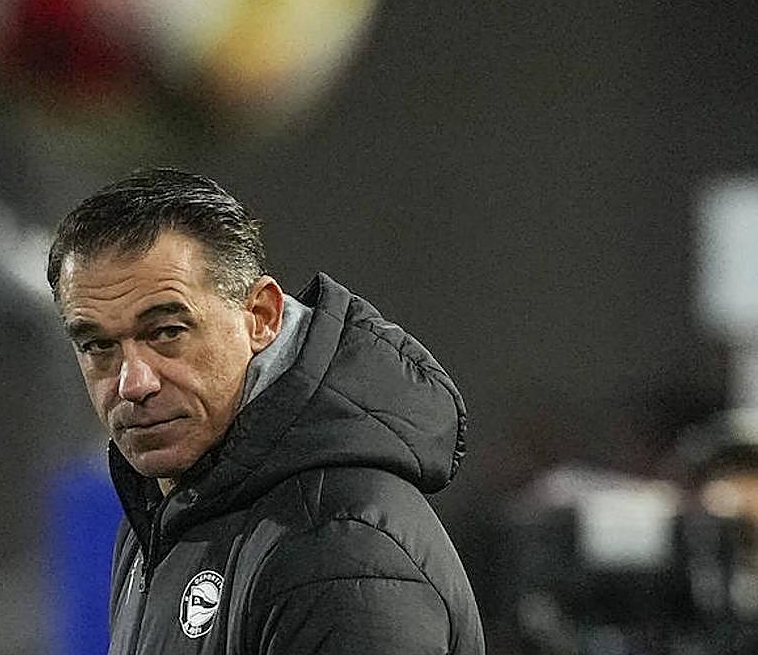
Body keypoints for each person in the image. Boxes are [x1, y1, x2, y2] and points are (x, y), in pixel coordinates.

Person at [45, 167, 484, 654]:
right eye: (98, 345)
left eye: (167, 332)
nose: (133, 383)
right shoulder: (158, 515)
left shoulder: (337, 548)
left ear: (261, 317)